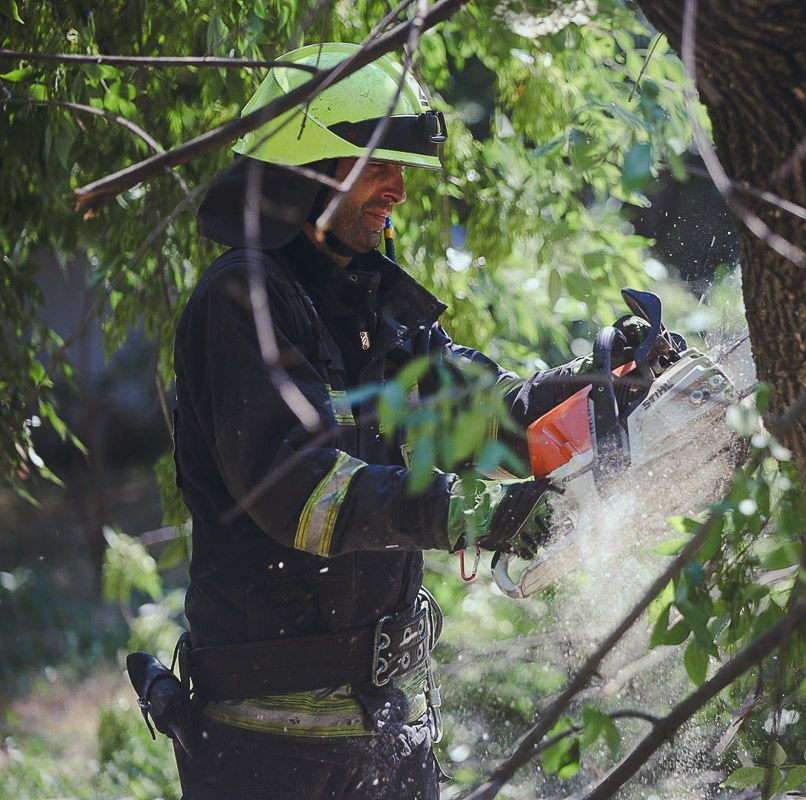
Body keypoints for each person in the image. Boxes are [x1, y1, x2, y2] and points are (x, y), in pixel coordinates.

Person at [171, 42, 647, 798]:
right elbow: (301, 490)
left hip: (390, 731)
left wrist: (605, 386)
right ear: (309, 168)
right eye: (379, 165)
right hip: (269, 750)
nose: (398, 187)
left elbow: (489, 415)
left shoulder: (371, 308)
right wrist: (473, 513)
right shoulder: (241, 304)